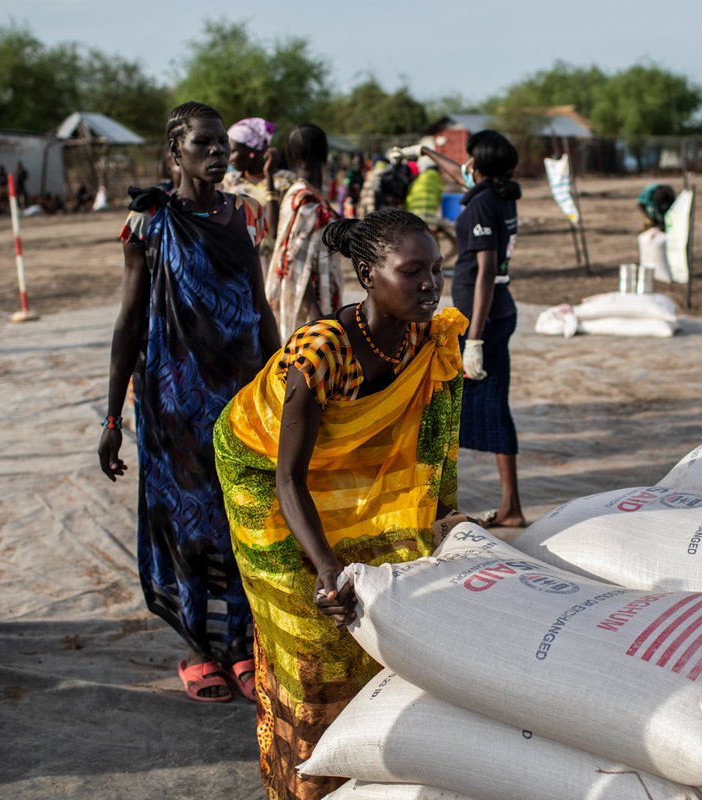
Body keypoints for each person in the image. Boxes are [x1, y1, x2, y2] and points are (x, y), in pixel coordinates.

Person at [215, 208, 467, 799]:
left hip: (337, 471)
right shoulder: (320, 352)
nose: (431, 284)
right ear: (367, 274)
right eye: (413, 272)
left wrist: (444, 527)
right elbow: (286, 478)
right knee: (311, 630)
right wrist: (326, 568)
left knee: (379, 597)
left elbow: (428, 448)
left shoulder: (423, 341)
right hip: (260, 472)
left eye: (436, 269)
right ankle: (302, 785)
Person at [98, 101, 281, 704]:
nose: (217, 152)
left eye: (222, 143)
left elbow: (259, 307)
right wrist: (111, 416)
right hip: (173, 404)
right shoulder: (148, 222)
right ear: (175, 151)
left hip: (239, 396)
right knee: (188, 524)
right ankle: (202, 650)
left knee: (243, 515)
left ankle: (242, 645)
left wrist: (282, 383)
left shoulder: (243, 218)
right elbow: (128, 322)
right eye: (203, 142)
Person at [420, 131, 526, 528]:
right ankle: (507, 505)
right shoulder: (499, 193)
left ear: (478, 166)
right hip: (495, 314)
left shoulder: (481, 205)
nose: (462, 166)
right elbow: (458, 176)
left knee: (468, 407)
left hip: (485, 318)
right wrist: (427, 152)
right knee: (481, 404)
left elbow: (484, 273)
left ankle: (505, 507)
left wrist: (475, 340)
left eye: (468, 160)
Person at [265, 123, 343, 340]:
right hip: (309, 311)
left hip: (318, 304)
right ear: (325, 155)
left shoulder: (306, 196)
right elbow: (294, 263)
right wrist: (319, 318)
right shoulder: (305, 201)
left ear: (290, 157)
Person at [222, 117, 294, 269]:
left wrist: (269, 178)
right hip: (237, 264)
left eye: (233, 151)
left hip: (275, 264)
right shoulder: (228, 182)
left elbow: (273, 230)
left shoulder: (284, 181)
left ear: (251, 152)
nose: (229, 158)